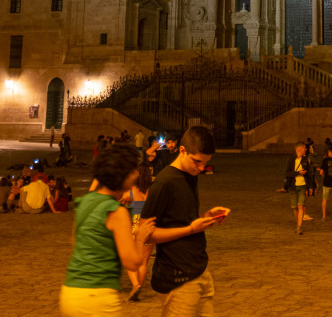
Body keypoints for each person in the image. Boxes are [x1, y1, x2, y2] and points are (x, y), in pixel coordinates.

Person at [141, 124, 229, 313]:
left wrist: (205, 218)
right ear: (182, 150)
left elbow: (181, 218)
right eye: (197, 161)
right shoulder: (164, 183)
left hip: (200, 271)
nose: (201, 168)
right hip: (177, 279)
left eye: (205, 163)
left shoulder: (190, 175)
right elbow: (146, 235)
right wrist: (190, 229)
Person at [60, 144, 155, 316]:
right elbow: (131, 262)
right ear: (121, 176)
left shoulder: (86, 201)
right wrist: (140, 237)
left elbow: (75, 241)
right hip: (97, 297)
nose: (136, 174)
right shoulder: (116, 212)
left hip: (70, 292)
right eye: (133, 170)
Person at [123, 162, 154, 300]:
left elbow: (120, 204)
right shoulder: (153, 190)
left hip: (134, 226)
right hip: (149, 226)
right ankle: (138, 287)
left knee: (129, 259)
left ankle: (135, 285)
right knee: (144, 261)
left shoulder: (130, 190)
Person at [284, 142, 314, 235]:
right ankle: (298, 224)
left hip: (302, 186)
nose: (306, 149)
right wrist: (298, 173)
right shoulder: (291, 159)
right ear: (299, 149)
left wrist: (310, 187)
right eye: (304, 148)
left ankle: (299, 227)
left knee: (301, 205)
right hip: (293, 186)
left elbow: (309, 174)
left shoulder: (305, 160)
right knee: (295, 207)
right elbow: (287, 173)